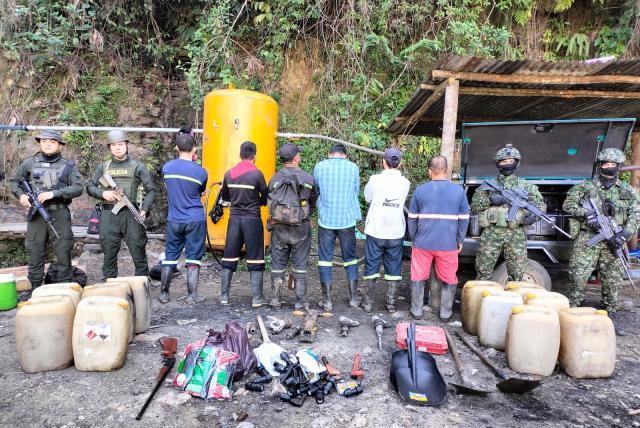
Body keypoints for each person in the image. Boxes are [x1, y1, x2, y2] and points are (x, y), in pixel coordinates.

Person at [563, 148, 640, 336]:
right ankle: (572, 312)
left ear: (619, 167)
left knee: (612, 279)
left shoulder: (627, 191)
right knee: (578, 275)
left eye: (613, 165)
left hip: (614, 239)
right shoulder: (585, 187)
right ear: (599, 165)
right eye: (606, 164)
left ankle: (609, 314)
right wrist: (586, 214)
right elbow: (568, 204)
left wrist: (625, 234)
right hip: (588, 238)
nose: (609, 168)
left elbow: (635, 214)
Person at [10, 130, 83, 294]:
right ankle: (35, 287)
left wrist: (53, 194)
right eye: (44, 141)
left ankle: (65, 287)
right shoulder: (29, 163)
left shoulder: (68, 165)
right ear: (39, 143)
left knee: (63, 248)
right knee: (35, 249)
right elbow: (15, 182)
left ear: (60, 145)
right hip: (36, 214)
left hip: (59, 213)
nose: (47, 144)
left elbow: (78, 188)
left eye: (52, 141)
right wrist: (21, 196)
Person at [86, 130, 156, 279]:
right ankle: (110, 282)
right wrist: (104, 194)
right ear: (110, 147)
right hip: (108, 213)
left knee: (137, 248)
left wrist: (144, 210)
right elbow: (90, 187)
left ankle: (142, 282)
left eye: (120, 144)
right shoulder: (103, 167)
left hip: (131, 214)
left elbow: (151, 191)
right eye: (113, 145)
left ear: (126, 145)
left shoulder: (138, 167)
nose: (117, 148)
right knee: (109, 249)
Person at [407, 155, 469, 320]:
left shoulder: (420, 190)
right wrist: (460, 240)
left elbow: (412, 218)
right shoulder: (458, 191)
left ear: (429, 171)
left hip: (423, 244)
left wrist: (414, 238)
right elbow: (464, 219)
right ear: (447, 170)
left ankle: (417, 311)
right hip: (448, 244)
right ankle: (445, 313)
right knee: (449, 277)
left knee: (418, 275)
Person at [471, 144, 544, 282]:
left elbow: (540, 205)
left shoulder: (526, 186)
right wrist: (491, 200)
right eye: (504, 161)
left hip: (516, 233)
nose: (507, 164)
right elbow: (475, 207)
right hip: (492, 232)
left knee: (517, 273)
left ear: (516, 163)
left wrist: (533, 218)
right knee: (483, 270)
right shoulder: (489, 185)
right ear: (498, 164)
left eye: (511, 161)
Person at [159, 132, 208, 304]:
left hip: (174, 219)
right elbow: (200, 190)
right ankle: (191, 295)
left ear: (177, 148)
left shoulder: (167, 168)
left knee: (170, 255)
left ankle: (163, 293)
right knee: (193, 257)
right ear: (194, 149)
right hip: (194, 219)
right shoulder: (201, 172)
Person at [267, 143, 317, 310]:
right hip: (301, 227)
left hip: (279, 227)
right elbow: (313, 201)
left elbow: (269, 197)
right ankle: (301, 301)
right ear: (296, 158)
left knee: (278, 262)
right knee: (300, 264)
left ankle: (275, 300)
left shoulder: (274, 178)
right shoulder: (308, 179)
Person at [219, 141, 269, 307]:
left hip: (234, 220)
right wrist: (258, 201)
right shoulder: (257, 174)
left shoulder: (229, 173)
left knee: (229, 256)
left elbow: (225, 197)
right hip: (252, 220)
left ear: (240, 155)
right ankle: (256, 299)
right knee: (255, 258)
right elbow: (265, 195)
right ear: (255, 156)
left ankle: (224, 297)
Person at [313, 144, 362, 311]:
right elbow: (356, 191)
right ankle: (354, 298)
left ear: (329, 154)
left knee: (325, 259)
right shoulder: (353, 167)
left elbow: (316, 191)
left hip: (326, 219)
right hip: (347, 219)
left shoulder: (320, 166)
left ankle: (326, 301)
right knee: (350, 258)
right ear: (345, 155)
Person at [361, 148, 410, 313]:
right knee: (394, 266)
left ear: (384, 162)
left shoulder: (375, 180)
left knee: (372, 264)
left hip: (376, 229)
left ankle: (368, 303)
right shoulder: (405, 183)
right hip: (396, 231)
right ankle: (391, 304)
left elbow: (367, 197)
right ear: (400, 163)